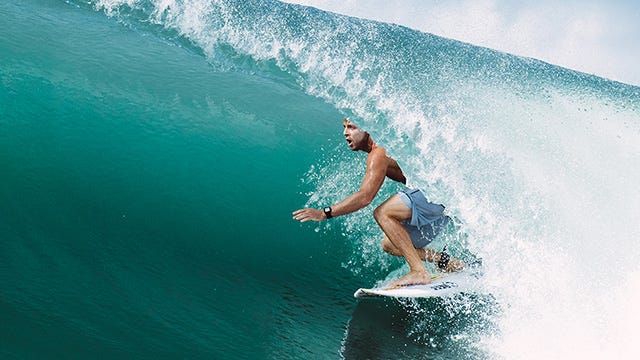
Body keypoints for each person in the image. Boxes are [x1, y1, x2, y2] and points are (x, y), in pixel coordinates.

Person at [293, 118, 464, 288]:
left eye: (351, 127)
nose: (345, 133)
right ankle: (446, 261)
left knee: (383, 213)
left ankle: (418, 271)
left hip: (436, 194)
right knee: (391, 244)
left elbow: (365, 197)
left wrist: (324, 213)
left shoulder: (378, 153)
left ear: (367, 129)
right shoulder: (386, 148)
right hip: (445, 202)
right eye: (344, 127)